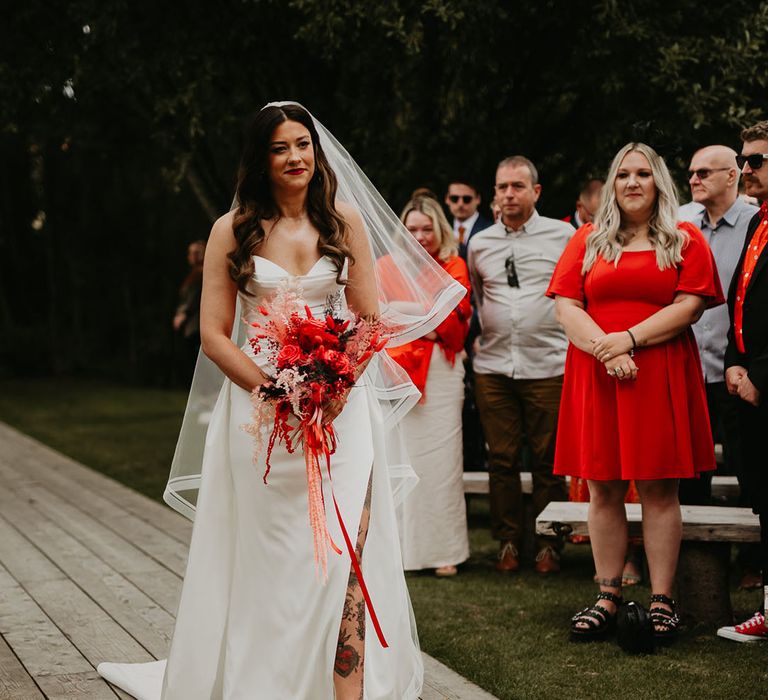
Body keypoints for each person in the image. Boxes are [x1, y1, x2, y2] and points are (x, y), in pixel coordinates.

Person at [97, 103, 465, 699]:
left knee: (347, 556)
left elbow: (370, 321)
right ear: (260, 159)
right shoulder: (232, 229)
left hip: (342, 417)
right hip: (261, 418)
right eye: (279, 148)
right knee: (271, 563)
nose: (295, 157)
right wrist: (277, 393)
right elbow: (216, 334)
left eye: (303, 145)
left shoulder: (344, 222)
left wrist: (338, 387)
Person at [547, 142, 723, 642]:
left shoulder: (685, 239)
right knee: (601, 485)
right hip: (597, 375)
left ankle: (662, 599)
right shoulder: (587, 239)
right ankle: (607, 593)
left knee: (659, 487)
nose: (632, 182)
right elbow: (566, 308)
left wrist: (628, 340)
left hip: (659, 371)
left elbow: (690, 306)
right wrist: (608, 352)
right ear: (612, 183)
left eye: (643, 173)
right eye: (623, 174)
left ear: (658, 181)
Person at [468, 155, 572, 575]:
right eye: (501, 187)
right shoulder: (480, 243)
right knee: (502, 458)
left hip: (549, 362)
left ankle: (550, 544)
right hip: (493, 365)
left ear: (536, 191)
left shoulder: (563, 235)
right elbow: (479, 298)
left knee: (549, 458)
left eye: (516, 186)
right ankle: (508, 541)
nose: (508, 194)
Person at [386, 196, 471, 577]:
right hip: (396, 371)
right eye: (413, 229)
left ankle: (444, 551)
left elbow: (453, 327)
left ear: (440, 230)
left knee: (442, 461)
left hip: (441, 373)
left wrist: (406, 311)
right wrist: (426, 311)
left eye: (427, 229)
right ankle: (400, 550)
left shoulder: (454, 266)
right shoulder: (384, 267)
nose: (420, 237)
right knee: (400, 458)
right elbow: (378, 317)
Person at [680, 147, 758, 519]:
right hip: (687, 366)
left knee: (749, 464)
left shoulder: (756, 221)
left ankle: (750, 562)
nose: (693, 179)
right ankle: (693, 566)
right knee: (690, 470)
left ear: (732, 176)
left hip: (735, 368)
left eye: (704, 173)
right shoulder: (679, 223)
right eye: (692, 172)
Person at [718, 121, 768, 643]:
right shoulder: (759, 222)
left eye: (756, 161)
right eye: (745, 159)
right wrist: (735, 361)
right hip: (747, 379)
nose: (746, 169)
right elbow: (743, 299)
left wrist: (761, 377)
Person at [173, 240, 206, 384]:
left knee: (199, 358)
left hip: (197, 323)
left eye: (192, 253)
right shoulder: (194, 274)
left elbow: (194, 297)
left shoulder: (200, 274)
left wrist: (183, 314)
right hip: (193, 324)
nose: (189, 257)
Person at [444, 178, 493, 259]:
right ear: (447, 199)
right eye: (455, 198)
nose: (460, 204)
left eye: (466, 199)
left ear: (478, 199)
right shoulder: (441, 228)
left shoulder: (490, 228)